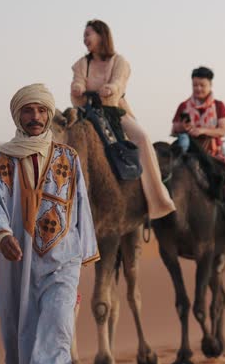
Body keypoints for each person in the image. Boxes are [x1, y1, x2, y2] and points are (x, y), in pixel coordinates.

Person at [0, 83, 99, 364]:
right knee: (20, 335)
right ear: (17, 116)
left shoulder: (68, 157)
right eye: (28, 110)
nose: (35, 117)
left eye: (42, 110)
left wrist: (83, 253)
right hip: (17, 262)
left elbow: (81, 204)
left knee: (55, 333)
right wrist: (2, 235)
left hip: (62, 261)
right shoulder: (0, 159)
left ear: (49, 115)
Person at [70, 19, 175, 220]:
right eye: (84, 35)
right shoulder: (82, 64)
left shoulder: (119, 62)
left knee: (142, 137)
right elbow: (77, 83)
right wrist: (77, 88)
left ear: (101, 35)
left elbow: (119, 82)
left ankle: (157, 198)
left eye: (88, 34)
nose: (85, 39)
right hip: (88, 112)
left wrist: (111, 89)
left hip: (114, 110)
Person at [171, 66, 225, 237]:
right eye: (195, 85)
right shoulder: (184, 106)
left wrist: (202, 131)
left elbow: (222, 131)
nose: (198, 89)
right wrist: (182, 127)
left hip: (212, 154)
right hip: (187, 154)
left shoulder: (219, 106)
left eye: (202, 85)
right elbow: (174, 128)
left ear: (210, 85)